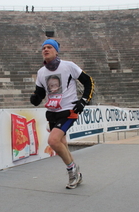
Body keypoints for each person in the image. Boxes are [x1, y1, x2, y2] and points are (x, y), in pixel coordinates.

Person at [30, 39, 94, 189]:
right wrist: (35, 98)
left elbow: (88, 81)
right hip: (52, 113)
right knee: (62, 143)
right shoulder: (41, 72)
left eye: (49, 47)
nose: (46, 49)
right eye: (43, 48)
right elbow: (39, 94)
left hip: (68, 111)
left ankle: (72, 171)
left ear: (56, 51)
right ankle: (76, 173)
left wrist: (84, 100)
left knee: (53, 141)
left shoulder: (68, 66)